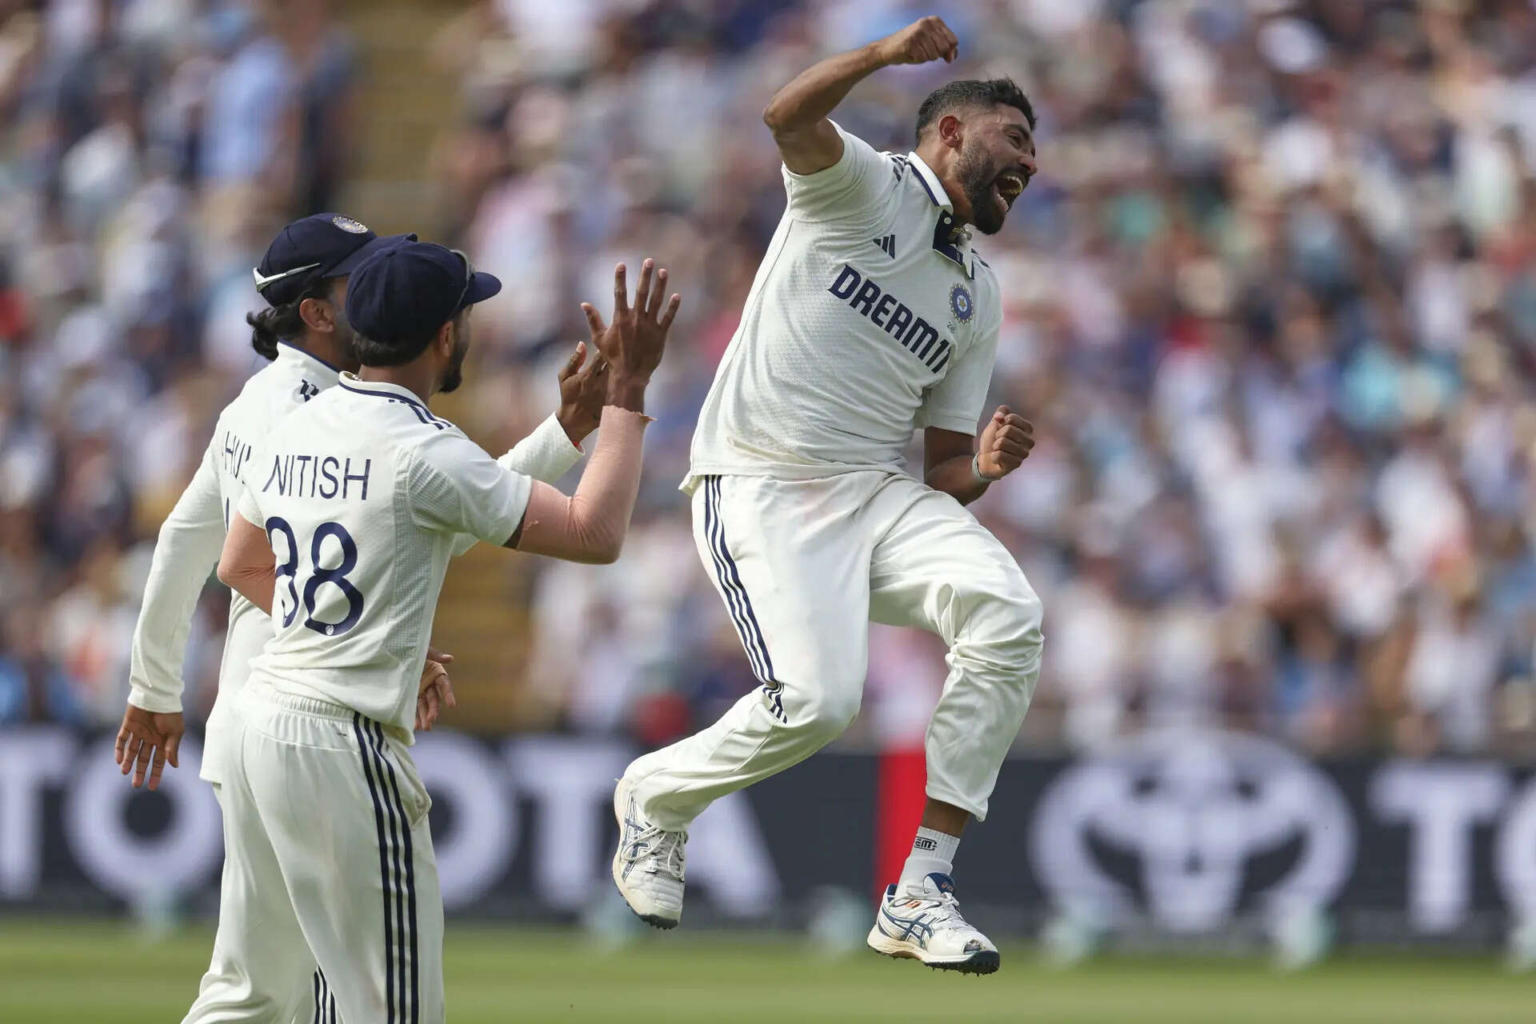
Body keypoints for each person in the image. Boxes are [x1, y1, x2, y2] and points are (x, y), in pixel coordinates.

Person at [611, 17, 1040, 975]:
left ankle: (921, 887)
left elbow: (943, 474)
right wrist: (883, 56)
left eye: (1034, 150)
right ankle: (657, 797)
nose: (1030, 163)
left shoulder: (977, 291)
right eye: (1014, 139)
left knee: (1009, 615)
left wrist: (986, 468)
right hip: (762, 478)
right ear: (951, 133)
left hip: (875, 493)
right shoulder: (865, 184)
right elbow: (784, 115)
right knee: (818, 703)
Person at [114, 213, 612, 1023]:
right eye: (359, 278)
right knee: (331, 997)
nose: (376, 287)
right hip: (318, 719)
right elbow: (399, 520)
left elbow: (194, 542)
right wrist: (359, 634)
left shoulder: (261, 401)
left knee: (256, 991)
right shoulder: (318, 412)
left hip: (261, 715)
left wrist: (155, 685)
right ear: (318, 311)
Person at [210, 242, 678, 1023]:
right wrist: (627, 395)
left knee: (265, 998)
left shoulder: (301, 424)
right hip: (343, 747)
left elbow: (242, 563)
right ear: (446, 336)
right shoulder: (422, 447)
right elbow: (595, 534)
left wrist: (568, 426)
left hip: (261, 729)